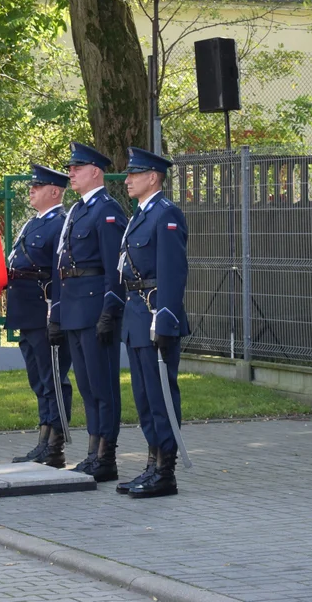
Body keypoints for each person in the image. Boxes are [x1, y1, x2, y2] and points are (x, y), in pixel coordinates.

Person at [47, 142, 127, 482]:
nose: (71, 173)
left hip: (95, 308)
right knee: (86, 386)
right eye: (71, 168)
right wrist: (58, 313)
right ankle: (93, 451)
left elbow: (115, 268)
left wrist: (110, 308)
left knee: (103, 384)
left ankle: (106, 454)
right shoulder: (79, 211)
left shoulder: (107, 211)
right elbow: (62, 266)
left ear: (95, 171)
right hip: (75, 307)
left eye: (77, 168)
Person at [116, 147, 190, 498]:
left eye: (135, 173)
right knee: (144, 397)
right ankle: (152, 463)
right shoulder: (140, 216)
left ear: (153, 178)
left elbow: (173, 273)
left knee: (160, 396)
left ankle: (166, 471)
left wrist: (166, 318)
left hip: (155, 315)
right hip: (135, 315)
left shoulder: (166, 214)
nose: (128, 179)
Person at [6, 164, 73, 468]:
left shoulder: (60, 223)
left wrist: (57, 313)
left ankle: (55, 445)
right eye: (32, 185)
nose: (31, 190)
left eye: (38, 186)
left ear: (55, 191)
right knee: (39, 379)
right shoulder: (32, 224)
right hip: (26, 311)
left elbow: (61, 273)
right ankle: (43, 440)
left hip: (44, 311)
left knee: (53, 379)